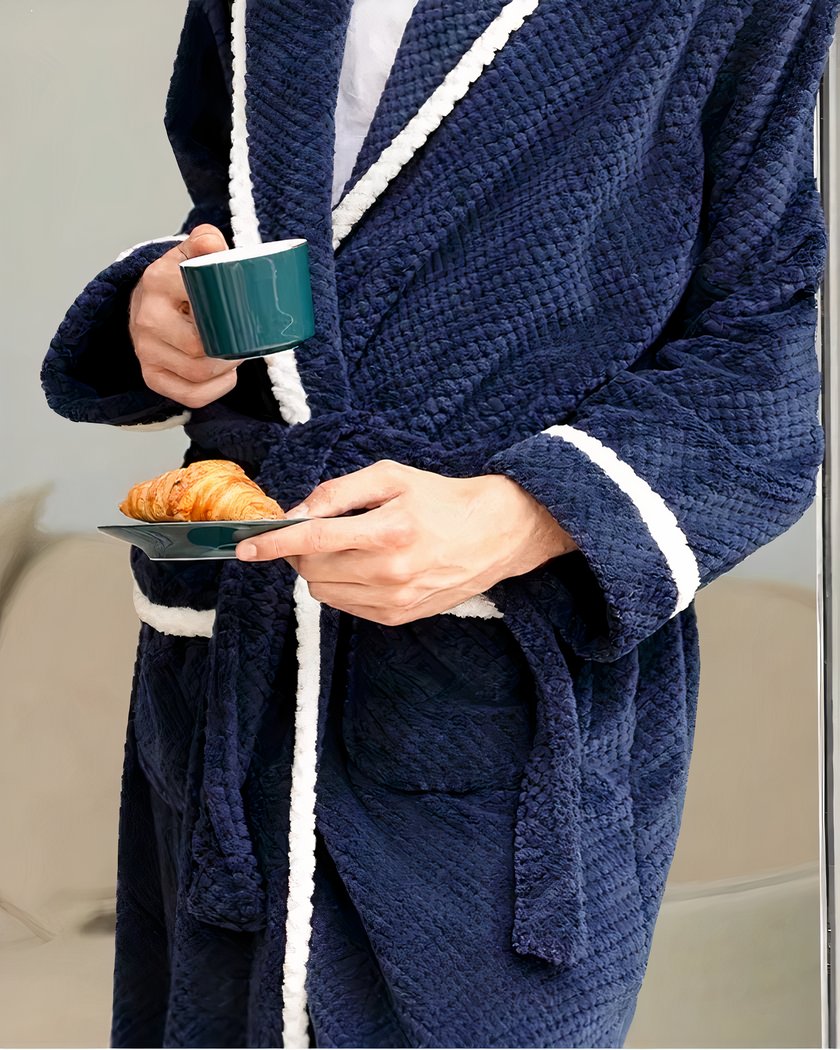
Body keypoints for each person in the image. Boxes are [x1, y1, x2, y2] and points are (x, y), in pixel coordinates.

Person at [41, 0, 839, 1046]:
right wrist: (167, 307)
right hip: (231, 685)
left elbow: (764, 352)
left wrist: (521, 515)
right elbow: (257, 223)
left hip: (487, 699)